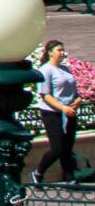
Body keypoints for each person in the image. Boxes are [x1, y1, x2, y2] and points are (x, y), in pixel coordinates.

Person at [38, 38, 80, 184]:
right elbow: (45, 95)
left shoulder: (65, 69)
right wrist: (62, 108)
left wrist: (77, 100)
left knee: (67, 147)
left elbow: (75, 92)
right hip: (52, 113)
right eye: (59, 50)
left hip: (69, 112)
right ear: (50, 53)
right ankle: (38, 172)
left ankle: (69, 177)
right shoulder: (45, 70)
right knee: (58, 148)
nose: (62, 53)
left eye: (63, 50)